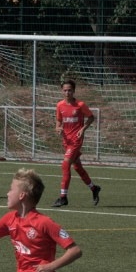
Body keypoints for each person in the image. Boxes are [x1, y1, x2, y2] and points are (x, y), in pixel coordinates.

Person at [51, 79, 101, 207]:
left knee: (65, 165)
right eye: (65, 90)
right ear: (62, 91)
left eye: (69, 90)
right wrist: (58, 128)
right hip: (66, 140)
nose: (67, 92)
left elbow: (91, 117)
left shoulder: (80, 105)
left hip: (76, 140)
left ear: (74, 91)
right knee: (77, 167)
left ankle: (63, 197)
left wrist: (83, 129)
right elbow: (58, 121)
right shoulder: (60, 105)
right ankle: (93, 188)